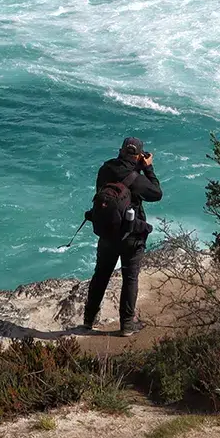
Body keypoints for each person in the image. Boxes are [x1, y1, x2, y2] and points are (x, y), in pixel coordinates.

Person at [83, 136, 162, 335]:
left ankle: (88, 319)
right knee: (130, 278)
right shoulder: (137, 178)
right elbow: (156, 193)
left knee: (101, 274)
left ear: (120, 150)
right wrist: (148, 168)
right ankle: (127, 324)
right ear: (139, 156)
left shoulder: (105, 169)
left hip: (107, 232)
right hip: (131, 235)